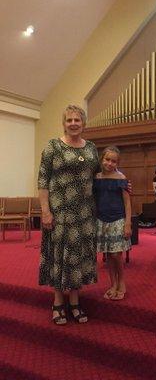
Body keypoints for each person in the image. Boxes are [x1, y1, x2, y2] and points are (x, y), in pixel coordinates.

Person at [38, 104, 100, 325]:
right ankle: (57, 303)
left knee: (78, 257)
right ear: (64, 123)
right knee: (59, 256)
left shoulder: (91, 148)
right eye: (69, 120)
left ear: (84, 123)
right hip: (59, 213)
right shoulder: (53, 147)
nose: (73, 124)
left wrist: (122, 183)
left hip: (84, 214)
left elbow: (100, 177)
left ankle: (74, 302)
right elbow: (43, 181)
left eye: (77, 120)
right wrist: (45, 211)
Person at [93, 146, 132, 301]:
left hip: (118, 219)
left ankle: (121, 281)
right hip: (101, 220)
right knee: (108, 254)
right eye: (107, 159)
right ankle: (112, 283)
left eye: (113, 161)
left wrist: (128, 223)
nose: (109, 163)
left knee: (116, 254)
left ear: (117, 163)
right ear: (102, 159)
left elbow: (127, 203)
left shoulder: (121, 178)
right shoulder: (96, 178)